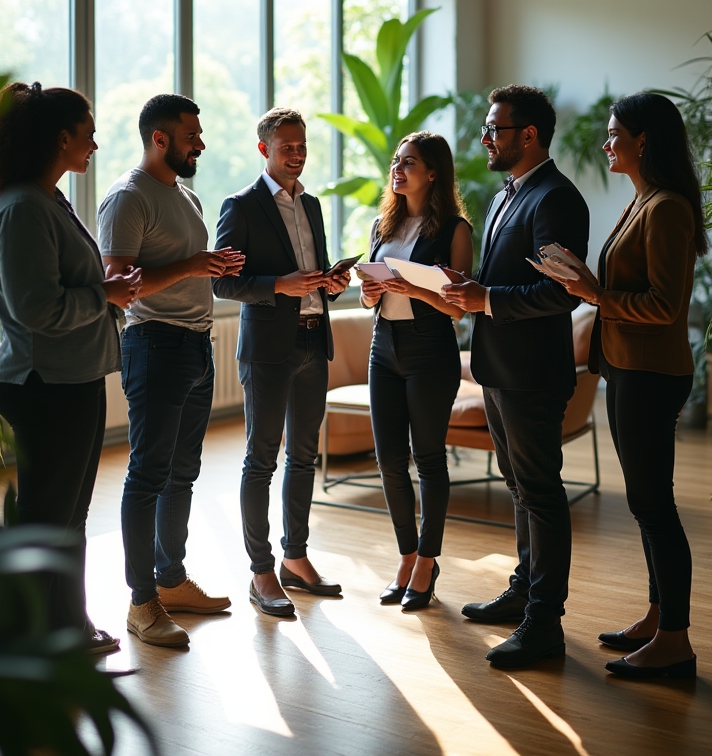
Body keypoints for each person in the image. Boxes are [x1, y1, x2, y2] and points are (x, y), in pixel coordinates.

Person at [539, 92, 706, 681]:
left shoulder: (667, 209)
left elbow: (666, 307)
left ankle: (676, 642)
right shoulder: (643, 201)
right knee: (647, 503)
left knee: (654, 506)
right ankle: (660, 617)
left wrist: (595, 295)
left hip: (652, 373)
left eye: (616, 135)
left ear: (645, 141)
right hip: (630, 368)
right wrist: (587, 283)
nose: (606, 143)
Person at [0, 82, 142, 657]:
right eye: (88, 131)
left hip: (72, 379)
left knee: (68, 517)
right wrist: (107, 295)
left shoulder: (47, 198)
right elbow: (38, 310)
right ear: (62, 137)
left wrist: (107, 292)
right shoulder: (23, 207)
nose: (95, 142)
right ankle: (18, 648)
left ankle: (66, 628)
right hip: (43, 383)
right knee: (43, 522)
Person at [442, 85, 589, 669]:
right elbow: (500, 278)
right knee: (521, 488)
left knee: (542, 493)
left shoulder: (557, 198)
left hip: (531, 375)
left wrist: (485, 299)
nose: (484, 139)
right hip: (500, 370)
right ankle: (524, 590)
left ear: (528, 135)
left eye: (494, 129)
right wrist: (466, 288)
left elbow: (558, 294)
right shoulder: (509, 194)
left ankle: (544, 624)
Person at [98, 93, 245, 648]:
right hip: (154, 347)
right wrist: (194, 265)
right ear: (159, 139)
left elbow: (186, 270)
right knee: (148, 475)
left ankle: (171, 578)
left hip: (196, 347)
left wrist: (215, 267)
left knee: (183, 472)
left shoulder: (186, 194)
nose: (200, 144)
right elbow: (121, 285)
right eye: (191, 136)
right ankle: (141, 604)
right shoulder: (127, 197)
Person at [213, 107, 352, 617]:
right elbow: (222, 282)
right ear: (264, 150)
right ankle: (261, 571)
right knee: (261, 459)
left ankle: (296, 558)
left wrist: (330, 283)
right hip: (269, 350)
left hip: (315, 343)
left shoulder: (311, 205)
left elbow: (312, 272)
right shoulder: (241, 206)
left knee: (304, 458)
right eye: (286, 146)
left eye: (301, 146)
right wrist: (279, 285)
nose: (296, 154)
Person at [359, 132, 473, 611]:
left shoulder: (455, 230)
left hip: (431, 351)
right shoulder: (382, 226)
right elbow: (374, 295)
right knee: (388, 462)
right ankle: (406, 556)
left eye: (410, 162)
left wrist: (413, 287)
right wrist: (370, 293)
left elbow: (458, 309)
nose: (398, 169)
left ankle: (428, 561)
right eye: (396, 161)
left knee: (428, 459)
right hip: (383, 347)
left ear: (433, 173)